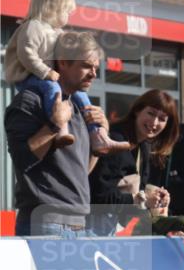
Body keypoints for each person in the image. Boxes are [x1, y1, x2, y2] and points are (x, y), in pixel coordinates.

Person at [3, 0, 129, 155]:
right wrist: (45, 72)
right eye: (66, 12)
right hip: (28, 75)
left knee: (82, 95)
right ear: (51, 8)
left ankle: (97, 134)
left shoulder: (56, 33)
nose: (68, 17)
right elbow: (26, 55)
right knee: (52, 87)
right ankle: (61, 127)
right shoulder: (33, 27)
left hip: (46, 75)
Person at [5, 31, 110, 237]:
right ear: (63, 62)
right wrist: (55, 124)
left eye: (96, 68)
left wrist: (100, 135)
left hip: (79, 224)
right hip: (45, 223)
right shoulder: (30, 100)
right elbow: (22, 159)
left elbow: (81, 170)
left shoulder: (77, 106)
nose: (93, 74)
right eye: (86, 66)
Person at [88, 89, 179, 235]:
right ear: (137, 110)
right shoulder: (116, 140)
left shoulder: (143, 146)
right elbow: (99, 195)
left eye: (162, 118)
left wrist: (156, 199)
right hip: (89, 229)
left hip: (109, 229)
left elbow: (136, 196)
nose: (154, 122)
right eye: (151, 113)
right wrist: (141, 200)